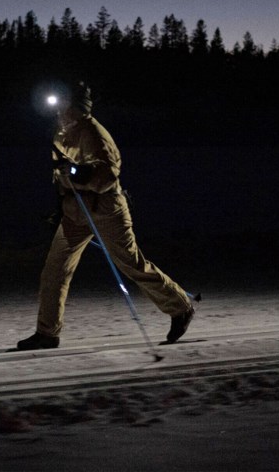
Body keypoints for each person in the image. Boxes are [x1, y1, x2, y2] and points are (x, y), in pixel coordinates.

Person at [17, 81, 196, 350]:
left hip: (106, 210)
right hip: (74, 213)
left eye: (62, 105)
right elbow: (60, 174)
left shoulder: (94, 133)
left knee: (131, 264)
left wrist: (76, 173)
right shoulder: (61, 132)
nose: (57, 111)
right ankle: (47, 333)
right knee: (55, 270)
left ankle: (180, 307)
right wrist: (59, 208)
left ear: (76, 106)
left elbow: (107, 174)